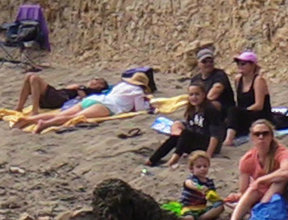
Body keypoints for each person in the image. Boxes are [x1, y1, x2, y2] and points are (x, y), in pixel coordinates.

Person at [18, 70, 150, 131]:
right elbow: (140, 110)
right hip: (107, 106)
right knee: (75, 117)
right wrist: (147, 104)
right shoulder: (137, 91)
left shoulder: (121, 85)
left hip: (94, 99)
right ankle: (45, 124)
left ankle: (29, 120)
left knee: (62, 114)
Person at [225, 119, 288, 220]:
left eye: (265, 134)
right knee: (252, 190)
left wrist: (261, 180)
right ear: (252, 138)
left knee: (278, 181)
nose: (261, 137)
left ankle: (258, 211)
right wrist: (239, 196)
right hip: (260, 190)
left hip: (279, 190)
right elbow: (243, 189)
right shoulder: (247, 159)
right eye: (257, 134)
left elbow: (287, 172)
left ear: (271, 136)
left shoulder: (280, 152)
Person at [149, 82, 215, 167]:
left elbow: (215, 134)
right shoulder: (191, 109)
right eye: (191, 95)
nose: (194, 97)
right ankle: (152, 160)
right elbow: (191, 127)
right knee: (175, 138)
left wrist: (208, 154)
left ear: (204, 95)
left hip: (206, 143)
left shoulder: (210, 110)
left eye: (197, 94)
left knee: (185, 133)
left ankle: (173, 160)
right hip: (193, 141)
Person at [224, 51, 271, 148]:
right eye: (238, 63)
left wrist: (242, 112)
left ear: (252, 65)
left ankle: (229, 140)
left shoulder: (258, 81)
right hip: (246, 113)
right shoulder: (238, 79)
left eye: (243, 64)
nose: (240, 66)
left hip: (259, 114)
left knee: (233, 111)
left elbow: (259, 105)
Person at [14, 73, 107, 113]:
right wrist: (77, 87)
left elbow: (84, 99)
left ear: (100, 86)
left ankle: (34, 111)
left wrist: (79, 89)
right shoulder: (83, 88)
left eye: (96, 81)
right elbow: (68, 88)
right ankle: (19, 107)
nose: (93, 81)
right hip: (58, 96)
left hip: (58, 98)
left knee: (33, 78)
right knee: (29, 76)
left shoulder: (91, 92)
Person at [175, 151, 221, 220]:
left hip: (201, 207)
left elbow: (213, 197)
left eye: (205, 166)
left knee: (219, 207)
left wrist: (218, 199)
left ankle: (200, 219)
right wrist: (198, 188)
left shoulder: (209, 182)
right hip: (188, 206)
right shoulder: (192, 179)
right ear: (192, 169)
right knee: (189, 219)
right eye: (198, 167)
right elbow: (188, 183)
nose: (202, 169)